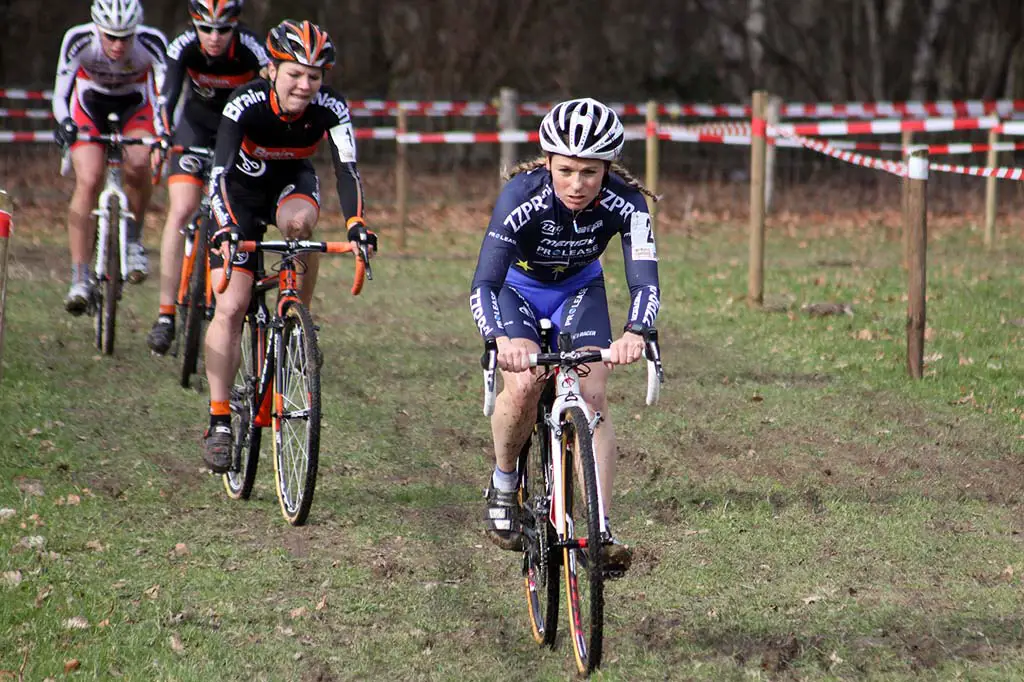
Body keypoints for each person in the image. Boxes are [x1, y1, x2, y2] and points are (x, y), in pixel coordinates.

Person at [469, 98, 661, 575]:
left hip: (579, 289)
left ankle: (600, 529)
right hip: (518, 290)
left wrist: (636, 330)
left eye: (591, 173)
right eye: (567, 170)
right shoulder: (521, 195)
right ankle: (504, 479)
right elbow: (485, 284)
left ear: (607, 168)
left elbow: (645, 280)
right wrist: (499, 338)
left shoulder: (627, 202)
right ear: (549, 162)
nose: (577, 184)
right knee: (525, 383)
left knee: (593, 394)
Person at [201, 19, 376, 472]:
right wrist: (224, 226)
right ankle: (220, 419)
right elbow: (217, 174)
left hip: (290, 185)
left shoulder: (332, 108)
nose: (304, 85)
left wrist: (357, 223)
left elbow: (347, 170)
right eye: (295, 73)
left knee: (302, 227)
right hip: (238, 194)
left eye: (314, 77)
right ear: (272, 70)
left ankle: (298, 318)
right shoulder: (246, 103)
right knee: (233, 304)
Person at [145, 0, 269, 354]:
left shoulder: (251, 49)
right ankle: (166, 314)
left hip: (238, 136)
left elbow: (268, 95)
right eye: (206, 29)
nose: (214, 38)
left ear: (236, 27)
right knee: (182, 210)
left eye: (223, 30)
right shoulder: (182, 46)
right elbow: (165, 97)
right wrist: (162, 137)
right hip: (194, 131)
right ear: (193, 24)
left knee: (235, 212)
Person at [52, 0, 168, 314]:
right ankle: (79, 275)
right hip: (90, 106)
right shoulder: (78, 39)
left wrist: (163, 134)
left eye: (125, 37)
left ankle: (133, 240)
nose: (118, 44)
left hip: (136, 107)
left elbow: (163, 96)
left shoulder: (152, 42)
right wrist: (65, 124)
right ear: (97, 29)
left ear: (136, 31)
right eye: (110, 37)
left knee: (140, 163)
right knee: (88, 180)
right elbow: (61, 94)